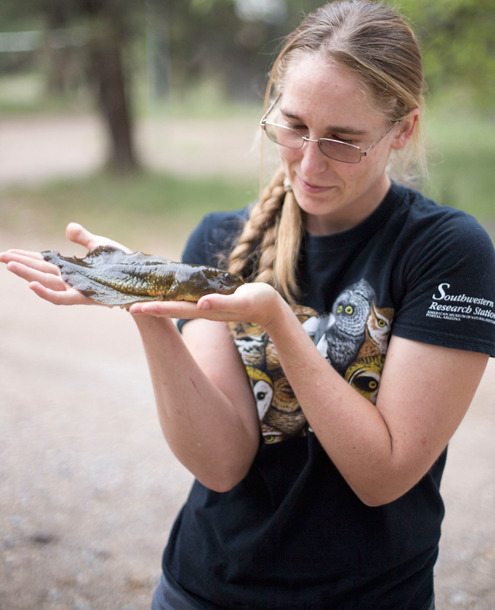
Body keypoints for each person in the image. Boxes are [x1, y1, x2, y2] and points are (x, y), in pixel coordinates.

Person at [2, 1, 495, 608]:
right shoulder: (222, 238)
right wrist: (146, 302)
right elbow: (222, 462)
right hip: (202, 590)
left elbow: (383, 475)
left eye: (344, 141)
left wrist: (279, 326)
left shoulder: (447, 253)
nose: (309, 163)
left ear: (404, 130)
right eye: (293, 126)